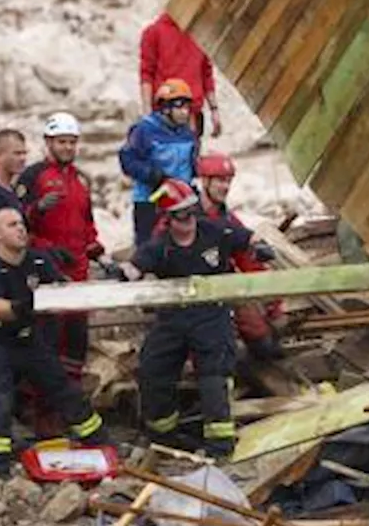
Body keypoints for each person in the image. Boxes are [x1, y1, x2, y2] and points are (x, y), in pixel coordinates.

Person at [118, 178, 275, 457]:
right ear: (168, 219)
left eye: (192, 211)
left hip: (211, 315)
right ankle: (164, 438)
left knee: (214, 377)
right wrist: (120, 273)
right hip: (173, 319)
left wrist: (259, 248)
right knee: (153, 371)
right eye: (181, 215)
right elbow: (135, 267)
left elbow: (247, 238)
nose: (189, 219)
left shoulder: (214, 231)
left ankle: (220, 446)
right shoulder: (160, 247)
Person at [0, 208, 108, 476]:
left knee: (63, 388)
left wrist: (89, 293)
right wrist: (29, 305)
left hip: (28, 340)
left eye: (22, 223)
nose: (21, 228)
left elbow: (62, 290)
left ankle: (99, 443)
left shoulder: (38, 261)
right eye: (12, 225)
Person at [16, 113, 106, 431]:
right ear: (48, 143)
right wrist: (37, 214)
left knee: (76, 342)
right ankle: (39, 413)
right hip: (47, 275)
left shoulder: (80, 180)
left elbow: (87, 222)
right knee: (46, 342)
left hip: (78, 274)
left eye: (72, 142)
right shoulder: (33, 176)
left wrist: (95, 246)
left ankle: (71, 409)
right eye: (61, 142)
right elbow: (15, 224)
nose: (67, 147)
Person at [195, 153, 285, 361]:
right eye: (219, 180)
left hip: (225, 290)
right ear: (205, 182)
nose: (225, 187)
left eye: (228, 181)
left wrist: (273, 303)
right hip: (192, 295)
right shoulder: (184, 217)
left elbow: (248, 260)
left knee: (263, 340)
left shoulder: (229, 220)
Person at [119, 78, 200, 245]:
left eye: (186, 106)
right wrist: (152, 174)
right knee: (149, 247)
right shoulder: (144, 130)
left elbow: (192, 165)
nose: (184, 112)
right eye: (179, 106)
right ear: (165, 108)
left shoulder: (188, 134)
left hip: (182, 201)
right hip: (150, 201)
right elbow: (127, 159)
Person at [140, 0, 221, 138]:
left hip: (193, 115)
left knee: (190, 159)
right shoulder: (154, 32)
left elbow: (206, 73)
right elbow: (146, 74)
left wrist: (214, 110)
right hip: (165, 116)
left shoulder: (200, 33)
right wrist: (147, 115)